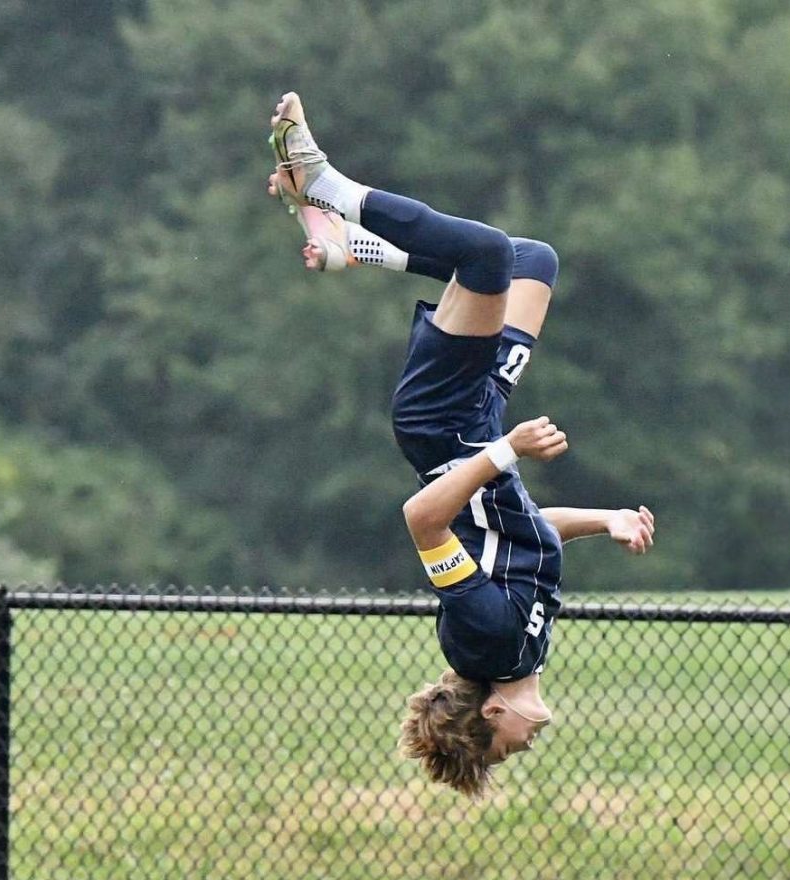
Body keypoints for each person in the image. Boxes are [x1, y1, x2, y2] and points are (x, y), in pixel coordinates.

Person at [267, 93, 655, 796]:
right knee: (531, 261)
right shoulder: (527, 647)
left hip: (443, 422)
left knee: (484, 256)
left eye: (503, 751)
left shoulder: (481, 641)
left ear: (493, 714)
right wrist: (605, 521)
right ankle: (350, 248)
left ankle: (323, 185)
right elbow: (530, 535)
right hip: (476, 420)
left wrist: (505, 450)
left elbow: (424, 519)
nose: (523, 748)